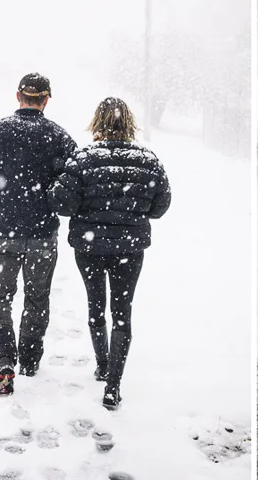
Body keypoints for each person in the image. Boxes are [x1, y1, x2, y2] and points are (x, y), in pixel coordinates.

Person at [48, 97, 171, 410]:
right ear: (129, 123)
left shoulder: (83, 159)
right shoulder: (147, 159)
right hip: (129, 248)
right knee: (122, 312)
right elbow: (160, 206)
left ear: (97, 123)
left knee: (95, 305)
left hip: (89, 247)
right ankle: (114, 385)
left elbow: (62, 203)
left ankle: (103, 363)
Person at [0, 73, 77, 395]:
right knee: (37, 297)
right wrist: (46, 206)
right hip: (42, 234)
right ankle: (30, 359)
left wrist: (0, 203)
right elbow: (71, 187)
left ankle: (3, 359)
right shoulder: (59, 137)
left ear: (18, 97)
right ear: (45, 100)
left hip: (2, 232)